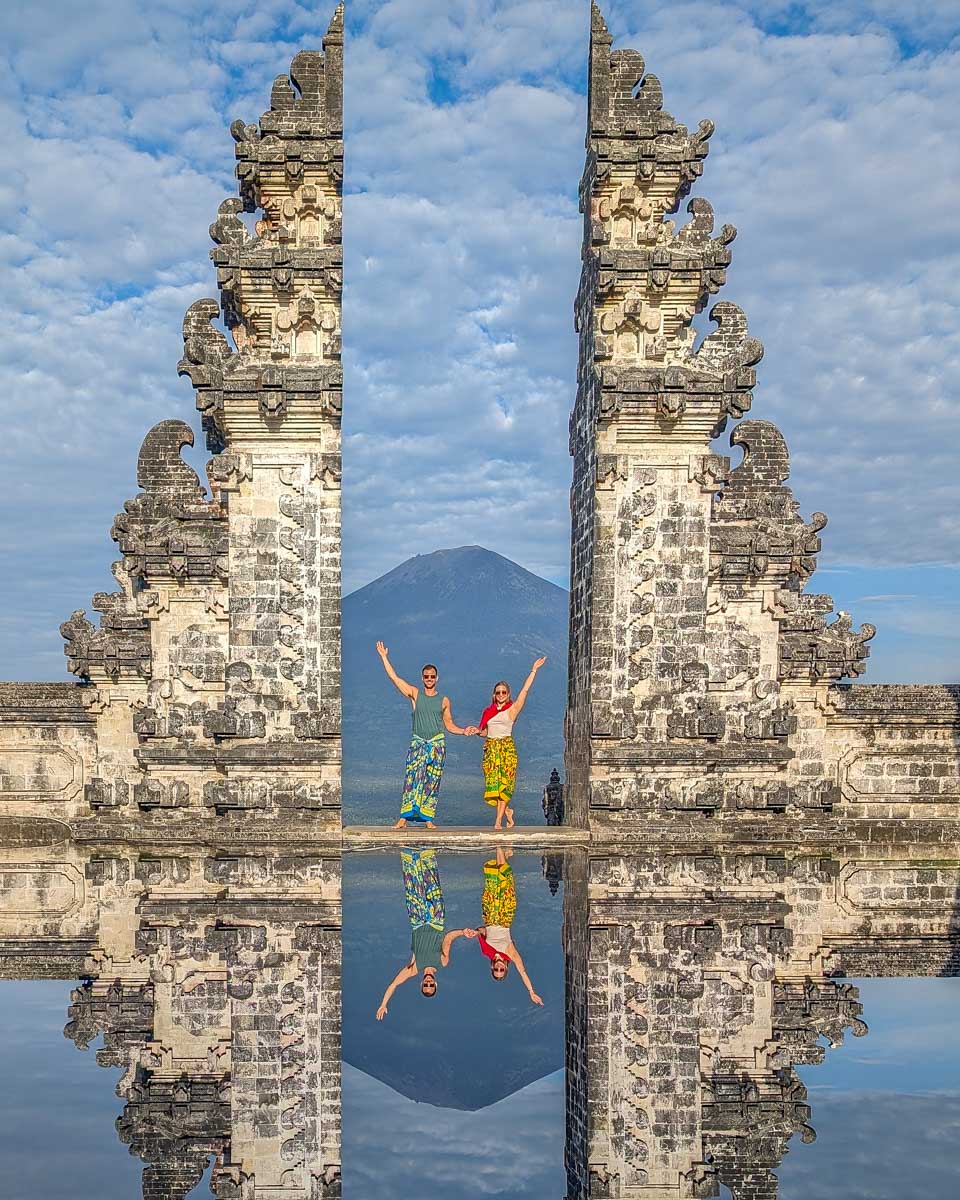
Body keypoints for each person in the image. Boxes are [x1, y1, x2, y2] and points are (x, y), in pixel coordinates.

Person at [376, 641, 477, 828]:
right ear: (422, 678)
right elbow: (395, 678)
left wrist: (463, 731)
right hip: (418, 744)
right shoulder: (415, 694)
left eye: (432, 676)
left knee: (432, 781)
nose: (429, 679)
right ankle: (403, 818)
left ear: (437, 678)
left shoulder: (444, 700)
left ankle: (428, 819)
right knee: (412, 779)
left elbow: (449, 724)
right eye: (426, 676)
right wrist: (384, 657)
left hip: (437, 745)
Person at [449, 848, 542, 1004]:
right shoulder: (510, 953)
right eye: (502, 970)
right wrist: (531, 992)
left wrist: (475, 932)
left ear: (492, 968)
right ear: (506, 968)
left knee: (494, 881)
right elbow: (523, 971)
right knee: (506, 882)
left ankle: (503, 851)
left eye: (496, 970)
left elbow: (482, 930)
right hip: (505, 916)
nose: (499, 967)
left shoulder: (487, 951)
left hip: (490, 916)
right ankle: (500, 847)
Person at [376, 848, 461, 1019]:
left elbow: (394, 984)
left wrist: (383, 1004)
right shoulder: (442, 962)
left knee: (413, 887)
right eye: (431, 985)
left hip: (418, 921)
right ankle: (426, 852)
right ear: (436, 984)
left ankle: (408, 852)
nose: (428, 983)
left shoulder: (414, 968)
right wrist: (463, 932)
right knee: (432, 883)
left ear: (421, 983)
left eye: (425, 985)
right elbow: (448, 938)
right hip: (436, 921)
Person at [476, 656, 546, 829]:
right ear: (494, 695)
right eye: (498, 692)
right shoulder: (488, 712)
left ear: (508, 695)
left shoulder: (513, 709)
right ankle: (507, 812)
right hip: (491, 750)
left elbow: (525, 691)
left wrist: (534, 670)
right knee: (494, 786)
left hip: (506, 749)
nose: (501, 695)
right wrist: (475, 731)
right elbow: (485, 732)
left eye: (504, 692)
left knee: (505, 785)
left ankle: (498, 821)